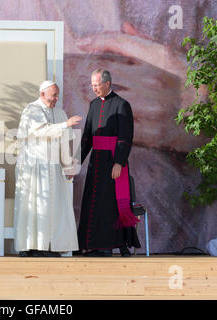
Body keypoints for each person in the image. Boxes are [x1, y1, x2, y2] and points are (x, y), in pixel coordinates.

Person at [14, 80, 82, 257]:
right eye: (53, 95)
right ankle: (33, 246)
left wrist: (68, 166)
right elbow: (42, 131)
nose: (56, 99)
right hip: (34, 167)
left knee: (54, 208)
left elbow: (65, 141)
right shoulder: (32, 110)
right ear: (42, 94)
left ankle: (51, 246)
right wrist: (65, 124)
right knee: (38, 206)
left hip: (53, 167)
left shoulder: (60, 113)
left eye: (58, 95)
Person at [77, 69, 140, 257]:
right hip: (95, 164)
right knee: (93, 204)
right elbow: (87, 137)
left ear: (107, 83)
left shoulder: (122, 105)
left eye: (96, 85)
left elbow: (125, 137)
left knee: (109, 206)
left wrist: (119, 162)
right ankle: (93, 245)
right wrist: (76, 162)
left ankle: (107, 246)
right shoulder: (94, 104)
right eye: (92, 85)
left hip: (112, 164)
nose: (94, 89)